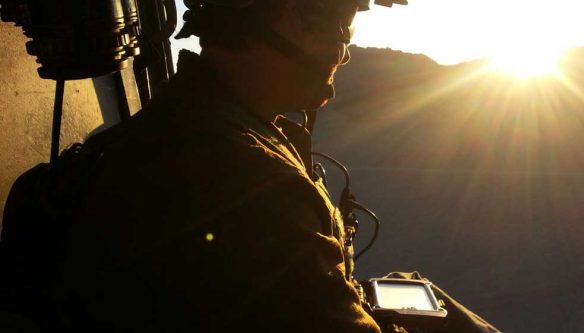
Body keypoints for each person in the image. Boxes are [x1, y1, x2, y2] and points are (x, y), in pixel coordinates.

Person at [48, 0, 501, 331]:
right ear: (280, 19)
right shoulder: (250, 181)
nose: (344, 52)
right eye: (341, 27)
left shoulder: (188, 125)